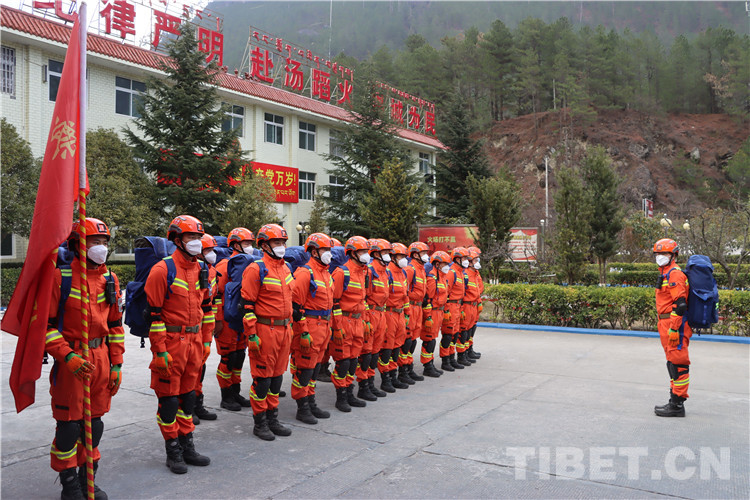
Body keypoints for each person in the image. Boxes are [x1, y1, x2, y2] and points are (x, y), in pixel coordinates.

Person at [45, 218, 124, 500]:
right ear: (78, 244)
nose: (101, 247)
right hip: (72, 362)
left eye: (104, 242)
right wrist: (66, 356)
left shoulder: (110, 279)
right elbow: (46, 327)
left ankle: (87, 478)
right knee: (69, 426)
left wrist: (117, 364)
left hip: (100, 359)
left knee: (94, 424)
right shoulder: (61, 278)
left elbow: (115, 325)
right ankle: (69, 484)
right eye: (95, 242)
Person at [145, 215, 212, 474]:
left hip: (194, 341)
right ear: (176, 239)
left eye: (198, 237)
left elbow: (206, 308)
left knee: (188, 397)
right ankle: (172, 449)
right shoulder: (162, 270)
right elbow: (154, 318)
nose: (196, 242)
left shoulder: (202, 269)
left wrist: (206, 341)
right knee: (169, 400)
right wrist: (160, 351)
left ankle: (187, 444)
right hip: (172, 343)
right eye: (190, 237)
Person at [240, 223, 294, 440]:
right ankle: (260, 422)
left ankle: (273, 418)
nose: (281, 246)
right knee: (262, 380)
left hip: (284, 329)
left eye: (283, 242)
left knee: (277, 378)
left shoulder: (286, 268)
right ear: (264, 245)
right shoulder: (256, 269)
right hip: (265, 330)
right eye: (276, 242)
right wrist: (252, 335)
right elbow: (247, 306)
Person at [291, 233, 336, 423]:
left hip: (324, 326)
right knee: (304, 369)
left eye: (329, 249)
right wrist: (303, 331)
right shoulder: (305, 273)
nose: (328, 253)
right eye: (325, 249)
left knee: (315, 368)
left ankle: (310, 401)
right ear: (314, 251)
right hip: (310, 326)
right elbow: (295, 306)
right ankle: (302, 407)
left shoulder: (326, 273)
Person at [214, 227, 255, 412]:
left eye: (251, 243)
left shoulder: (250, 264)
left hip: (241, 319)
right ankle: (226, 395)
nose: (250, 247)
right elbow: (216, 295)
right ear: (235, 244)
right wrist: (218, 320)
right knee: (228, 358)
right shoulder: (225, 266)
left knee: (239, 356)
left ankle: (235, 391)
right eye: (246, 243)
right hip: (226, 320)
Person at [331, 236, 373, 404]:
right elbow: (334, 302)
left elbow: (364, 300)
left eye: (366, 251)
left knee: (354, 360)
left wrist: (366, 321)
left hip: (358, 321)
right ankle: (341, 396)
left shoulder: (364, 272)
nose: (366, 255)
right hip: (344, 321)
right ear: (353, 253)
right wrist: (337, 327)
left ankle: (349, 392)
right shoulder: (342, 272)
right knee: (343, 361)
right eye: (362, 252)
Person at [653, 238, 692, 417]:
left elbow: (680, 305)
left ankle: (677, 405)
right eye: (658, 253)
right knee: (672, 363)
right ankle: (674, 399)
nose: (660, 256)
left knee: (679, 363)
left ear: (673, 255)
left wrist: (675, 328)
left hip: (674, 324)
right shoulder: (665, 273)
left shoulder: (675, 274)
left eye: (664, 253)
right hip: (665, 323)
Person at [192, 234, 219, 424]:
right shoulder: (192, 271)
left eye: (212, 250)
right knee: (190, 369)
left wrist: (210, 332)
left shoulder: (211, 271)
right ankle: (186, 407)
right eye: (207, 250)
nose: (211, 254)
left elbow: (210, 303)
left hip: (204, 327)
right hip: (188, 330)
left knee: (200, 367)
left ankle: (197, 403)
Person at [357, 239, 390, 397]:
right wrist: (366, 319)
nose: (388, 256)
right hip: (371, 313)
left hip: (381, 314)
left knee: (376, 351)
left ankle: (370, 383)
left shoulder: (384, 272)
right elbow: (364, 297)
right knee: (366, 352)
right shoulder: (369, 271)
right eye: (385, 252)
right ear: (376, 254)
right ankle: (363, 386)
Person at [402, 241, 429, 383]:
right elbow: (404, 292)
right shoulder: (410, 269)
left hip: (418, 308)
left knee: (413, 340)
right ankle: (403, 371)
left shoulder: (421, 269)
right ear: (415, 254)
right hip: (411, 307)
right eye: (423, 253)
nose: (426, 256)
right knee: (407, 340)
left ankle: (409, 367)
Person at [420, 251, 451, 377]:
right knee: (429, 340)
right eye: (444, 264)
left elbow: (445, 296)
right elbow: (428, 299)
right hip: (432, 312)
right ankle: (427, 366)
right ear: (437, 264)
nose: (446, 266)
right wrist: (427, 316)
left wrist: (446, 310)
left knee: (433, 339)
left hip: (439, 312)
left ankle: (430, 363)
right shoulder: (432, 278)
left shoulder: (442, 277)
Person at [385, 242, 411, 389]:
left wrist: (407, 313)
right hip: (389, 313)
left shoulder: (403, 273)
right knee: (387, 347)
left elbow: (405, 295)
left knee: (397, 346)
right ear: (393, 257)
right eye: (401, 256)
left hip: (400, 314)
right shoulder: (387, 272)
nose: (404, 259)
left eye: (404, 256)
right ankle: (386, 379)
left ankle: (393, 375)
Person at [466, 247, 484, 360]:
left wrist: (478, 302)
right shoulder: (466, 274)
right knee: (465, 330)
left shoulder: (476, 273)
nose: (478, 261)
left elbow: (478, 289)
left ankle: (469, 349)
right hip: (467, 305)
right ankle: (463, 353)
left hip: (474, 304)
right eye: (476, 259)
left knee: (472, 328)